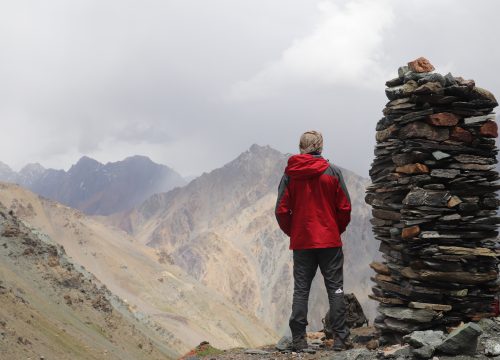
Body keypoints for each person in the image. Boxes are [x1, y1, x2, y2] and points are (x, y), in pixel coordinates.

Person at [275, 130, 351, 352]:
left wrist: (295, 231)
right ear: (320, 146)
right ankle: (341, 339)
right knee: (335, 289)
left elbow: (281, 210)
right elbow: (344, 207)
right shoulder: (333, 172)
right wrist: (336, 230)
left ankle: (299, 340)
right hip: (329, 241)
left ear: (300, 146)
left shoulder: (290, 174)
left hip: (302, 242)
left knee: (301, 290)